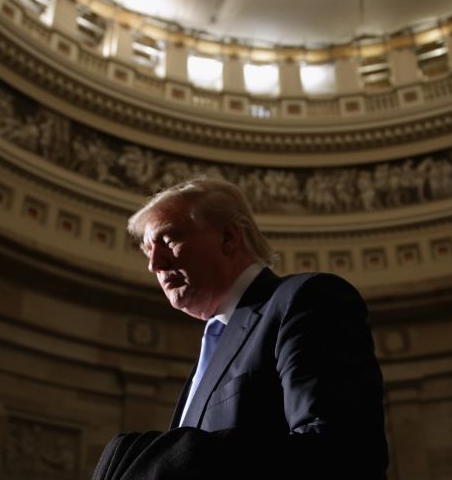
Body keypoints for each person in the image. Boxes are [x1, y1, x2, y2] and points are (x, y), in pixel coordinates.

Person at [93, 178, 388, 479]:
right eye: (147, 251)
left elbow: (343, 453)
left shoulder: (308, 299)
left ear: (229, 238)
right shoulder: (210, 351)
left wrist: (173, 457)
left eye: (168, 240)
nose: (154, 264)